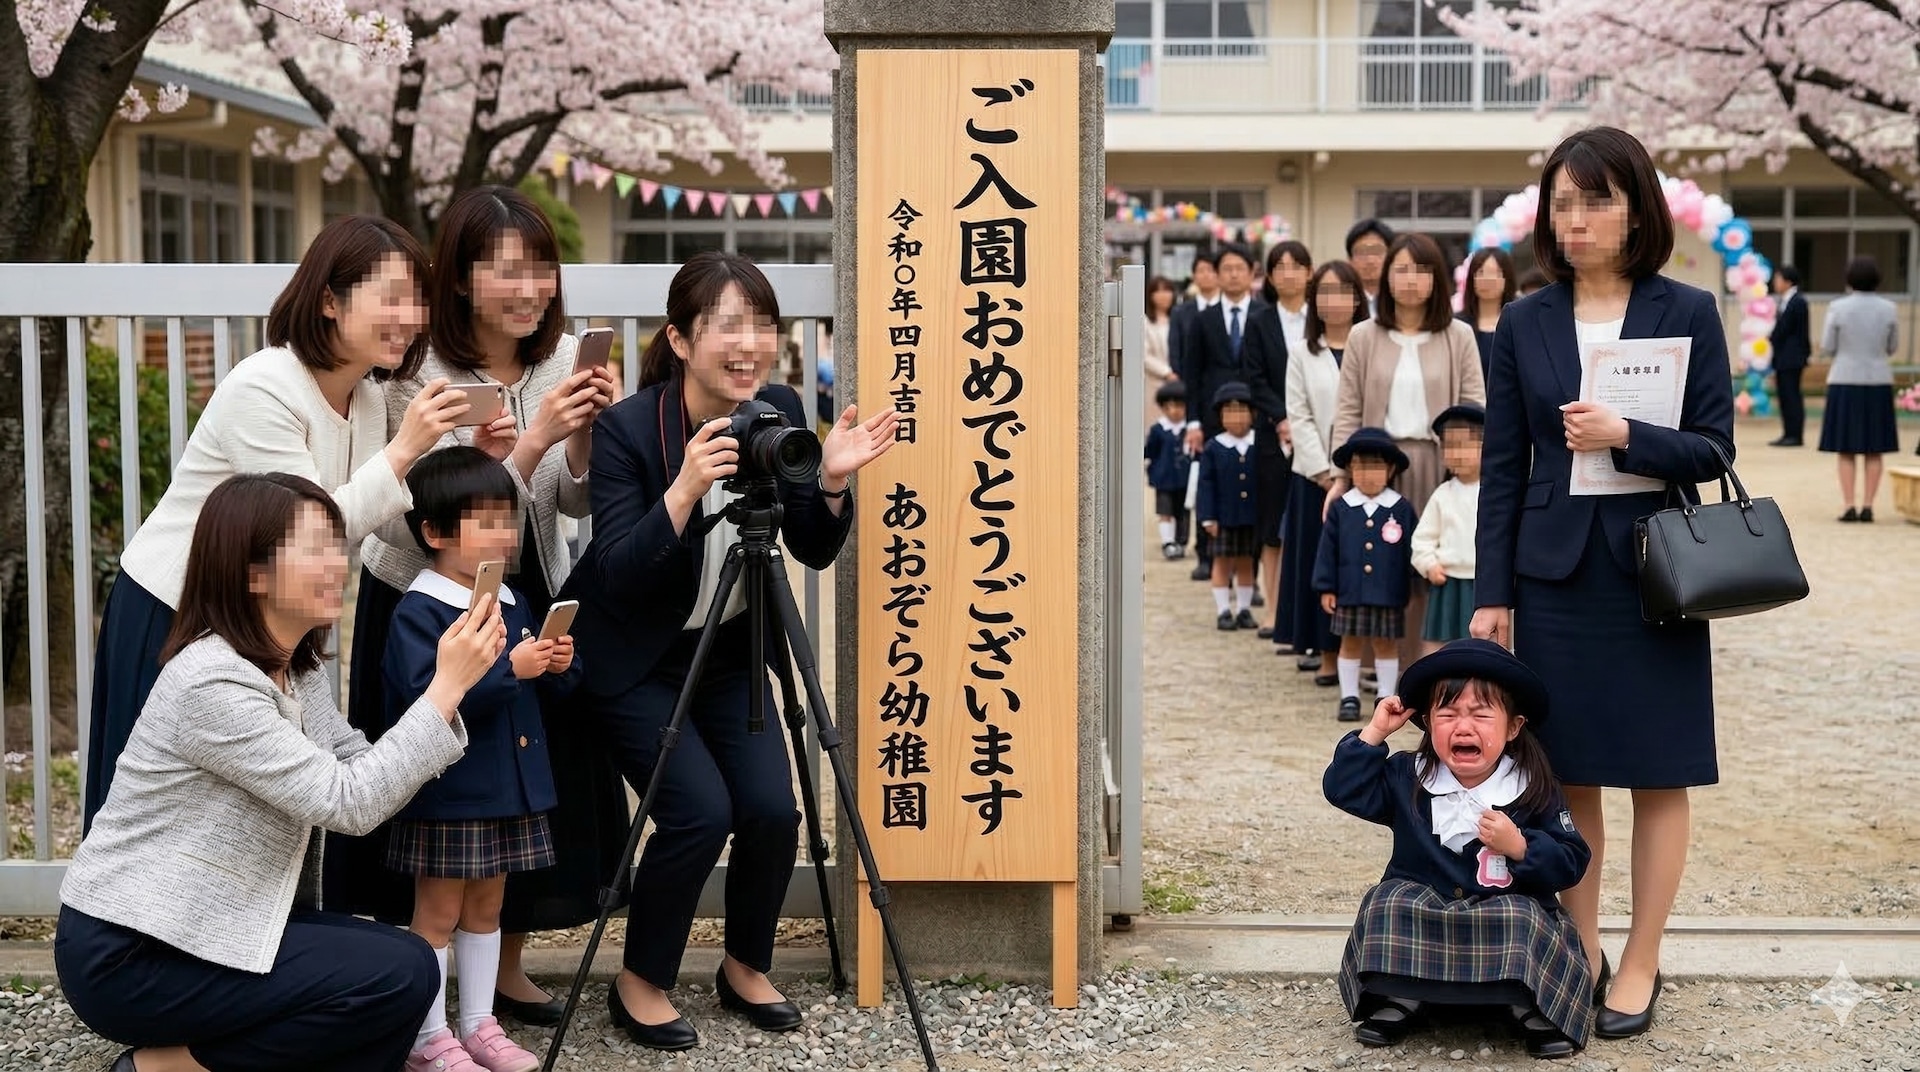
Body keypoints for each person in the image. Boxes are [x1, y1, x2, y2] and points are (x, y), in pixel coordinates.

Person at [560, 252, 898, 1051]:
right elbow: (616, 572)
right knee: (697, 812)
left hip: (728, 654)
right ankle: (640, 980)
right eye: (729, 327)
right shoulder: (630, 429)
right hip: (633, 658)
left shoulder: (777, 406)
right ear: (680, 340)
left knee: (772, 810)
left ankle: (745, 965)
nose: (751, 344)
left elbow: (812, 546)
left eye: (763, 326)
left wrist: (835, 483)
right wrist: (681, 491)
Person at [56, 473, 505, 1072]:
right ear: (253, 571)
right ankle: (166, 1067)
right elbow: (348, 801)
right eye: (314, 549)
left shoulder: (293, 667)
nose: (336, 564)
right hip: (134, 951)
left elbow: (351, 757)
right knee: (401, 972)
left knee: (403, 963)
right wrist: (445, 688)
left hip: (214, 926)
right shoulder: (213, 681)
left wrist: (441, 702)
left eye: (336, 546)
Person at [328, 185, 627, 1026]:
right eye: (508, 271)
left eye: (541, 269)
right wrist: (526, 444)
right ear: (459, 278)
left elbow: (569, 503)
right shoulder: (414, 368)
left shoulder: (568, 357)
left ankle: (503, 968)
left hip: (527, 580)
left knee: (530, 769)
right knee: (437, 781)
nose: (530, 288)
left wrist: (581, 437)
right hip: (420, 595)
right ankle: (416, 982)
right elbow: (422, 512)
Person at [1473, 126, 1736, 1041]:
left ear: (1638, 210)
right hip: (1551, 577)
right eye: (1563, 201)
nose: (1575, 218)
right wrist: (1491, 591)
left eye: (1597, 200)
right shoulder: (1524, 320)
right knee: (1568, 772)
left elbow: (1712, 448)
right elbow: (1503, 467)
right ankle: (1577, 947)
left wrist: (1627, 434)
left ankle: (1642, 957)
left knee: (1660, 773)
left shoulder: (1690, 311)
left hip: (1655, 574)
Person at [84, 214, 475, 828]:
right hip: (175, 607)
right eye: (391, 298)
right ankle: (125, 923)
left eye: (417, 301)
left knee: (251, 818)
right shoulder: (264, 384)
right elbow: (311, 534)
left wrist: (492, 466)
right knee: (153, 812)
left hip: (261, 619)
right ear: (329, 300)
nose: (410, 318)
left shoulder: (369, 398)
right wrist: (406, 449)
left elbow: (376, 520)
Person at [379, 446, 582, 1072]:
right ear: (434, 532)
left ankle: (478, 1025)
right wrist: (509, 672)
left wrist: (555, 664)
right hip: (451, 789)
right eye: (485, 519)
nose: (504, 531)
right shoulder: (419, 608)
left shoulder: (512, 599)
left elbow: (534, 691)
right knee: (436, 912)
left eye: (508, 517)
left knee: (488, 907)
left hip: (508, 787)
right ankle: (426, 1036)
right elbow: (424, 699)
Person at [1323, 639, 1591, 1060]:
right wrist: (1375, 733)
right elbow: (1344, 789)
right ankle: (1402, 995)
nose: (1463, 727)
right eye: (1447, 714)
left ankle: (1524, 1002)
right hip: (1424, 909)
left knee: (1520, 916)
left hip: (1500, 913)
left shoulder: (1533, 787)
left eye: (1482, 715)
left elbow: (1572, 859)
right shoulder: (1407, 776)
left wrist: (1522, 847)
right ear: (1428, 723)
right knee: (1386, 902)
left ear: (1514, 727)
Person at [1329, 231, 1485, 669]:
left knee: (1436, 565)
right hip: (1377, 469)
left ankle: (1431, 666)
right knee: (1381, 565)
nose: (1411, 279)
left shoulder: (1459, 336)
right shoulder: (1364, 335)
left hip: (1443, 466)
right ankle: (1381, 670)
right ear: (1386, 277)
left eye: (1421, 270)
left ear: (1437, 279)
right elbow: (1348, 410)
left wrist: (1471, 463)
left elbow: (1476, 404)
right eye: (1401, 269)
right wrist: (1342, 477)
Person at [1280, 261, 1368, 684]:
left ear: (1357, 298)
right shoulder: (1302, 352)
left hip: (1369, 476)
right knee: (1322, 568)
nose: (1334, 302)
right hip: (1314, 479)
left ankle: (1365, 655)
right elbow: (1298, 417)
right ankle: (1326, 654)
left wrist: (1354, 473)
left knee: (1363, 566)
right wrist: (1328, 473)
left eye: (1343, 292)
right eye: (1325, 293)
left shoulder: (1370, 343)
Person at [1314, 428, 1417, 722]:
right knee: (1350, 642)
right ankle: (1349, 697)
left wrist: (1409, 584)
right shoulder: (1341, 508)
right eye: (1360, 466)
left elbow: (1413, 548)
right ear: (1350, 469)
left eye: (1376, 466)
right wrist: (1326, 587)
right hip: (1349, 590)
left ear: (1391, 469)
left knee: (1385, 643)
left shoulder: (1400, 508)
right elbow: (1326, 551)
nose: (1368, 473)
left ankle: (1385, 696)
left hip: (1388, 591)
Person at [1181, 244, 1267, 584]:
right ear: (1216, 274)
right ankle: (1207, 556)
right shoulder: (1203, 319)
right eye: (1226, 268)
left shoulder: (1264, 314)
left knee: (1252, 486)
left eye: (1239, 268)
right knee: (1210, 484)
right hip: (1211, 412)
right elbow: (1192, 372)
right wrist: (1193, 421)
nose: (1233, 274)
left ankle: (1250, 570)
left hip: (1255, 411)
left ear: (1251, 273)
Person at [1244, 240, 1313, 635]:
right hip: (1274, 436)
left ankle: (1302, 611)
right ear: (1269, 276)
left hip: (1318, 434)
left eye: (1296, 265)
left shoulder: (1319, 317)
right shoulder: (1260, 320)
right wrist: (1281, 417)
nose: (1288, 273)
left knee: (1307, 521)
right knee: (1272, 525)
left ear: (1309, 272)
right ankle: (1272, 610)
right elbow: (1253, 376)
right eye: (1280, 266)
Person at [1818, 255, 1901, 521]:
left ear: (1849, 278)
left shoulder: (1838, 307)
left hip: (1844, 378)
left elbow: (1828, 346)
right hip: (1878, 380)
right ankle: (1868, 506)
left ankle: (1848, 505)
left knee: (1846, 447)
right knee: (1874, 447)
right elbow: (1892, 347)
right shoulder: (1890, 308)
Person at [1410, 405, 1484, 655]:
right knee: (1441, 648)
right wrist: (1429, 564)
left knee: (1485, 645)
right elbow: (1422, 539)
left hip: (1486, 585)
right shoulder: (1443, 495)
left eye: (1464, 444)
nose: (1455, 453)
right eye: (1448, 446)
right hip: (1448, 584)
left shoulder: (1496, 494)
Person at [1197, 382, 1262, 630]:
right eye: (1229, 412)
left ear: (1253, 414)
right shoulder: (1214, 447)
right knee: (1222, 563)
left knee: (1246, 562)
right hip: (1223, 518)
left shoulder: (1259, 444)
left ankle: (1244, 610)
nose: (1236, 418)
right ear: (1220, 416)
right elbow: (1206, 485)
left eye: (1242, 411)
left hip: (1250, 517)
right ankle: (1223, 610)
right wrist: (1207, 518)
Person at [1145, 380, 1196, 560]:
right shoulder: (1158, 429)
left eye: (1179, 406)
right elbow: (1150, 450)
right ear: (1163, 407)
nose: (1174, 411)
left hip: (1185, 478)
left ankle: (1181, 542)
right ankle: (1168, 542)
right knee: (1165, 511)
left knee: (1183, 512)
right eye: (1169, 406)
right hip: (1164, 478)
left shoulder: (1190, 428)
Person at [1767, 265, 1811, 447]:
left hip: (1792, 357)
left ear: (1788, 281)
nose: (1775, 283)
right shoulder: (1786, 300)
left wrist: (1772, 337)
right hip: (1784, 357)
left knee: (1791, 396)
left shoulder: (1797, 301)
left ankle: (1795, 434)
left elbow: (1789, 330)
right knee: (1785, 396)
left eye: (1778, 279)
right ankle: (1788, 432)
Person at [1459, 247, 1517, 378]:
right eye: (1481, 272)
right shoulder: (1458, 325)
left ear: (1507, 279)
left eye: (1495, 273)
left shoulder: (1520, 324)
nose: (1487, 280)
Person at [1143, 275, 1179, 426]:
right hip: (1153, 383)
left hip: (1179, 384)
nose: (1164, 295)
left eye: (1167, 290)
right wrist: (1167, 373)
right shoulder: (1144, 321)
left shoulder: (1179, 319)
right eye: (1158, 291)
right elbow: (1144, 355)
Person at [1345, 219, 1396, 318]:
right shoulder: (1339, 302)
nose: (1370, 260)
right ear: (1350, 260)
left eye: (1377, 251)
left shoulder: (1401, 301)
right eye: (1362, 252)